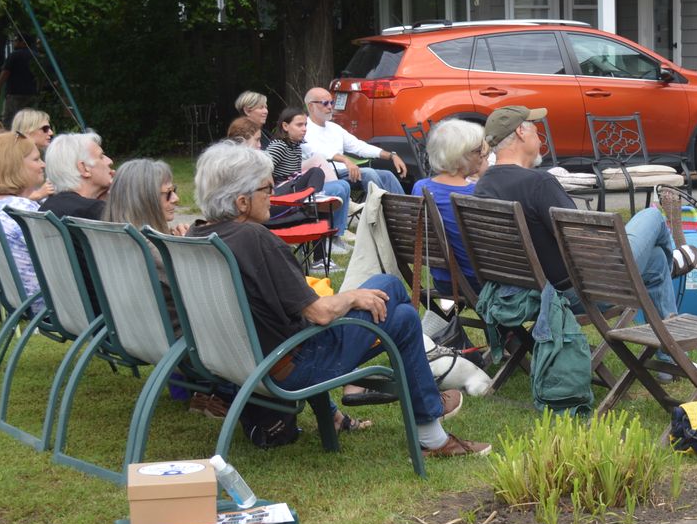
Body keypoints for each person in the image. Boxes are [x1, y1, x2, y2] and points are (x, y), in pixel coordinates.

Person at [188, 141, 489, 456]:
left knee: (399, 309)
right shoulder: (255, 240)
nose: (274, 194)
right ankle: (429, 422)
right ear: (242, 202)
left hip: (238, 362)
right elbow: (318, 313)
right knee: (396, 301)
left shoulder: (196, 237)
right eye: (267, 188)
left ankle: (428, 428)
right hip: (293, 366)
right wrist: (353, 298)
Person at [473, 105, 697, 321]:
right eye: (535, 129)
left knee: (656, 260)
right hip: (580, 291)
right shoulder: (539, 183)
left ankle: (668, 341)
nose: (540, 138)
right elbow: (585, 242)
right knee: (652, 216)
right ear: (521, 131)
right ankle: (674, 262)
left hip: (526, 292)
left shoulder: (483, 187)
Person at [410, 119, 487, 292]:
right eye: (478, 150)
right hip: (479, 283)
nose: (482, 155)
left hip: (443, 280)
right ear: (460, 156)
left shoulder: (420, 187)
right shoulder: (477, 193)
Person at [267, 107, 352, 251]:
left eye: (305, 125)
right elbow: (263, 166)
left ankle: (332, 240)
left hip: (294, 188)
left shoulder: (296, 146)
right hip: (282, 193)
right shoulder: (279, 145)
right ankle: (315, 199)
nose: (304, 129)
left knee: (340, 185)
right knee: (323, 177)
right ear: (285, 126)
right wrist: (271, 189)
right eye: (299, 125)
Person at [301, 87, 406, 198]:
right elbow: (317, 152)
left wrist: (391, 155)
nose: (330, 107)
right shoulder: (303, 129)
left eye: (332, 102)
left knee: (387, 175)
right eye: (325, 103)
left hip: (345, 171)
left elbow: (358, 146)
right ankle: (380, 208)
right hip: (327, 175)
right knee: (368, 173)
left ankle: (406, 208)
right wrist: (345, 160)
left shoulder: (334, 128)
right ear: (311, 106)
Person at [0, 132, 47, 299]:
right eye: (36, 159)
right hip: (50, 303)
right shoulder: (22, 212)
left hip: (18, 302)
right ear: (15, 166)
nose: (43, 164)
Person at [104, 158, 190, 237]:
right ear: (141, 201)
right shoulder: (151, 246)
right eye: (168, 193)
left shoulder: (106, 239)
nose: (176, 198)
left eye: (174, 190)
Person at [42, 131, 114, 220]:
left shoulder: (46, 208)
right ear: (84, 168)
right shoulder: (93, 210)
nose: (110, 161)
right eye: (101, 157)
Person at [0, 36, 40, 126]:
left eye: (16, 41)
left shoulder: (14, 55)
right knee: (28, 120)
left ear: (23, 42)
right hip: (31, 93)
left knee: (10, 120)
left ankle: (9, 134)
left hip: (14, 93)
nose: (14, 43)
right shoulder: (36, 56)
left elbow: (5, 72)